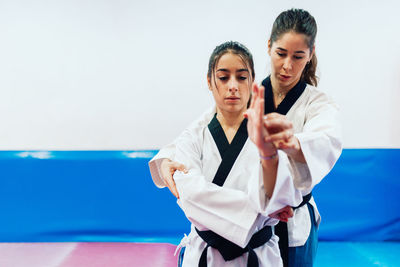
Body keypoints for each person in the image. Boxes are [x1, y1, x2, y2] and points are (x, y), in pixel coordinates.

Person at [149, 9, 342, 267]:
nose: (287, 65)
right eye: (281, 53)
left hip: (290, 223)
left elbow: (325, 142)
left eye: (298, 57)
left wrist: (292, 143)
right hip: (252, 221)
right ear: (269, 47)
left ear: (311, 54)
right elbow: (204, 128)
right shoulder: (247, 91)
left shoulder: (317, 104)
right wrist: (165, 160)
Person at [159, 41, 303, 266]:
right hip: (205, 255)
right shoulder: (192, 137)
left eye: (242, 77)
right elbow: (190, 196)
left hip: (259, 255)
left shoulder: (272, 132)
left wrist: (272, 203)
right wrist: (259, 210)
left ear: (252, 81)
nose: (233, 86)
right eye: (224, 77)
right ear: (209, 81)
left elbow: (282, 191)